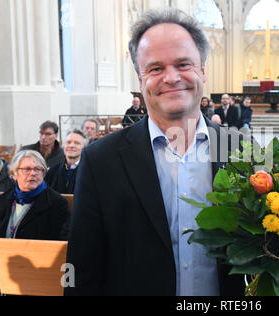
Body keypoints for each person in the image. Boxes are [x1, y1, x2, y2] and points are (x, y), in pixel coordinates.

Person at [65, 8, 245, 296]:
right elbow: (80, 265)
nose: (171, 78)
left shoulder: (241, 150)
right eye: (156, 68)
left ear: (203, 71)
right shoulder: (101, 160)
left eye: (183, 64)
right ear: (140, 80)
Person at [0, 150, 69, 240]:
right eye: (27, 169)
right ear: (14, 174)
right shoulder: (0, 202)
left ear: (43, 173)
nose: (33, 173)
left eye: (38, 169)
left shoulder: (57, 204)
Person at [45, 130, 87, 194]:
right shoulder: (52, 171)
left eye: (77, 143)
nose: (71, 145)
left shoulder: (90, 172)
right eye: (68, 142)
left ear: (85, 148)